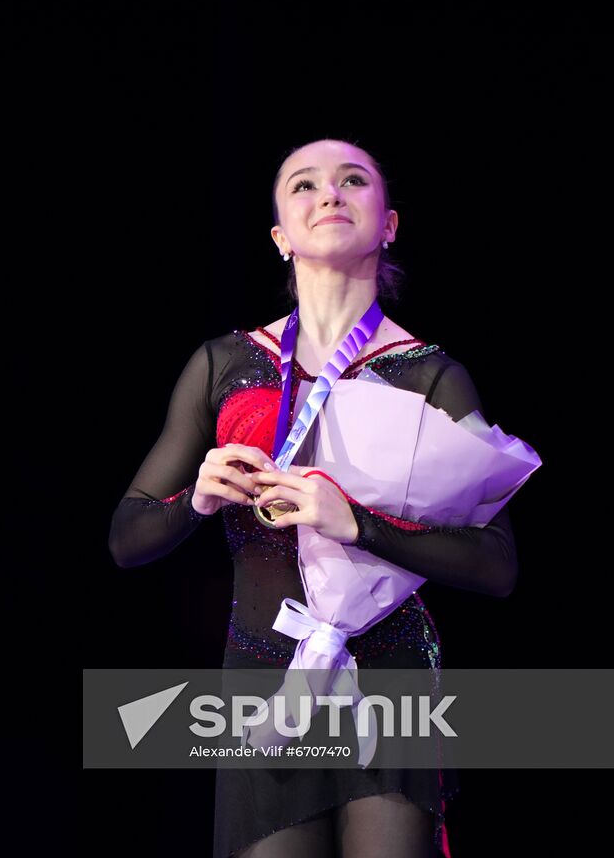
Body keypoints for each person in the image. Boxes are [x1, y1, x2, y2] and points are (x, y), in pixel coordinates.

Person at [109, 137, 519, 858]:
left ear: (387, 222)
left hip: (387, 671)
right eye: (303, 185)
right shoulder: (225, 363)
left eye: (352, 180)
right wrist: (195, 501)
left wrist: (356, 524)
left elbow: (495, 564)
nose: (328, 194)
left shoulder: (429, 374)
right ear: (279, 236)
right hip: (263, 673)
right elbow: (126, 538)